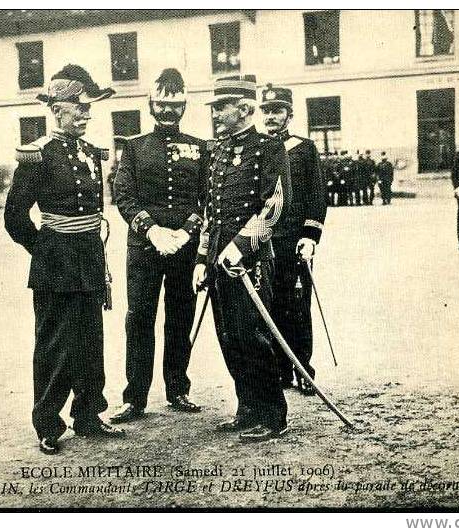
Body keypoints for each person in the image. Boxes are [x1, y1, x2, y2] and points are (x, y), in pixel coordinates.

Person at [4, 64, 124, 455]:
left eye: (88, 110)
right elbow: (15, 217)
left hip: (89, 256)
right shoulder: (37, 155)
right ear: (58, 110)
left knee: (91, 339)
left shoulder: (90, 153)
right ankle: (48, 423)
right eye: (81, 109)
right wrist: (44, 248)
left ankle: (88, 414)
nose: (87, 116)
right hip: (55, 262)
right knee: (55, 344)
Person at [192, 74, 291, 442]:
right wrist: (203, 258)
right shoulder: (215, 150)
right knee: (229, 336)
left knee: (253, 336)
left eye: (222, 107)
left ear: (244, 109)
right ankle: (247, 408)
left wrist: (240, 247)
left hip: (250, 263)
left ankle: (272, 416)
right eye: (215, 108)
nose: (216, 114)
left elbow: (276, 204)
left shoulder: (269, 148)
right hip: (219, 261)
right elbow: (210, 211)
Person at [110, 68, 208, 423]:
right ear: (150, 105)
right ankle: (134, 397)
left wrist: (185, 232)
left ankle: (178, 388)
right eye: (161, 105)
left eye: (175, 105)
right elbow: (124, 196)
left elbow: (206, 198)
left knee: (180, 318)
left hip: (185, 246)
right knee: (139, 319)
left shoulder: (201, 148)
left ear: (184, 106)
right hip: (145, 248)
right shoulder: (133, 148)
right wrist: (152, 231)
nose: (168, 112)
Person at [260, 84, 326, 396]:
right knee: (268, 307)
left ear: (290, 115)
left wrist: (310, 236)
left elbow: (317, 194)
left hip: (294, 242)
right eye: (267, 111)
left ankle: (303, 371)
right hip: (262, 242)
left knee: (297, 307)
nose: (271, 116)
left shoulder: (304, 148)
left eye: (277, 111)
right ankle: (279, 372)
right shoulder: (257, 149)